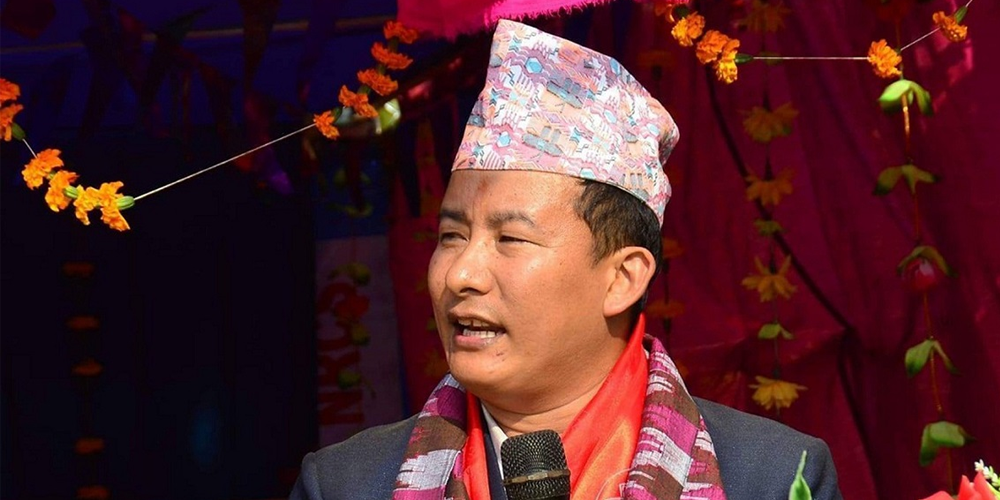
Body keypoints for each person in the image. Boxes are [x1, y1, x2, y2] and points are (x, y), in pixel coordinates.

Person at [290, 19, 842, 500]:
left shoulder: (768, 476)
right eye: (452, 236)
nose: (460, 275)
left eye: (510, 239)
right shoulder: (348, 483)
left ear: (623, 278)